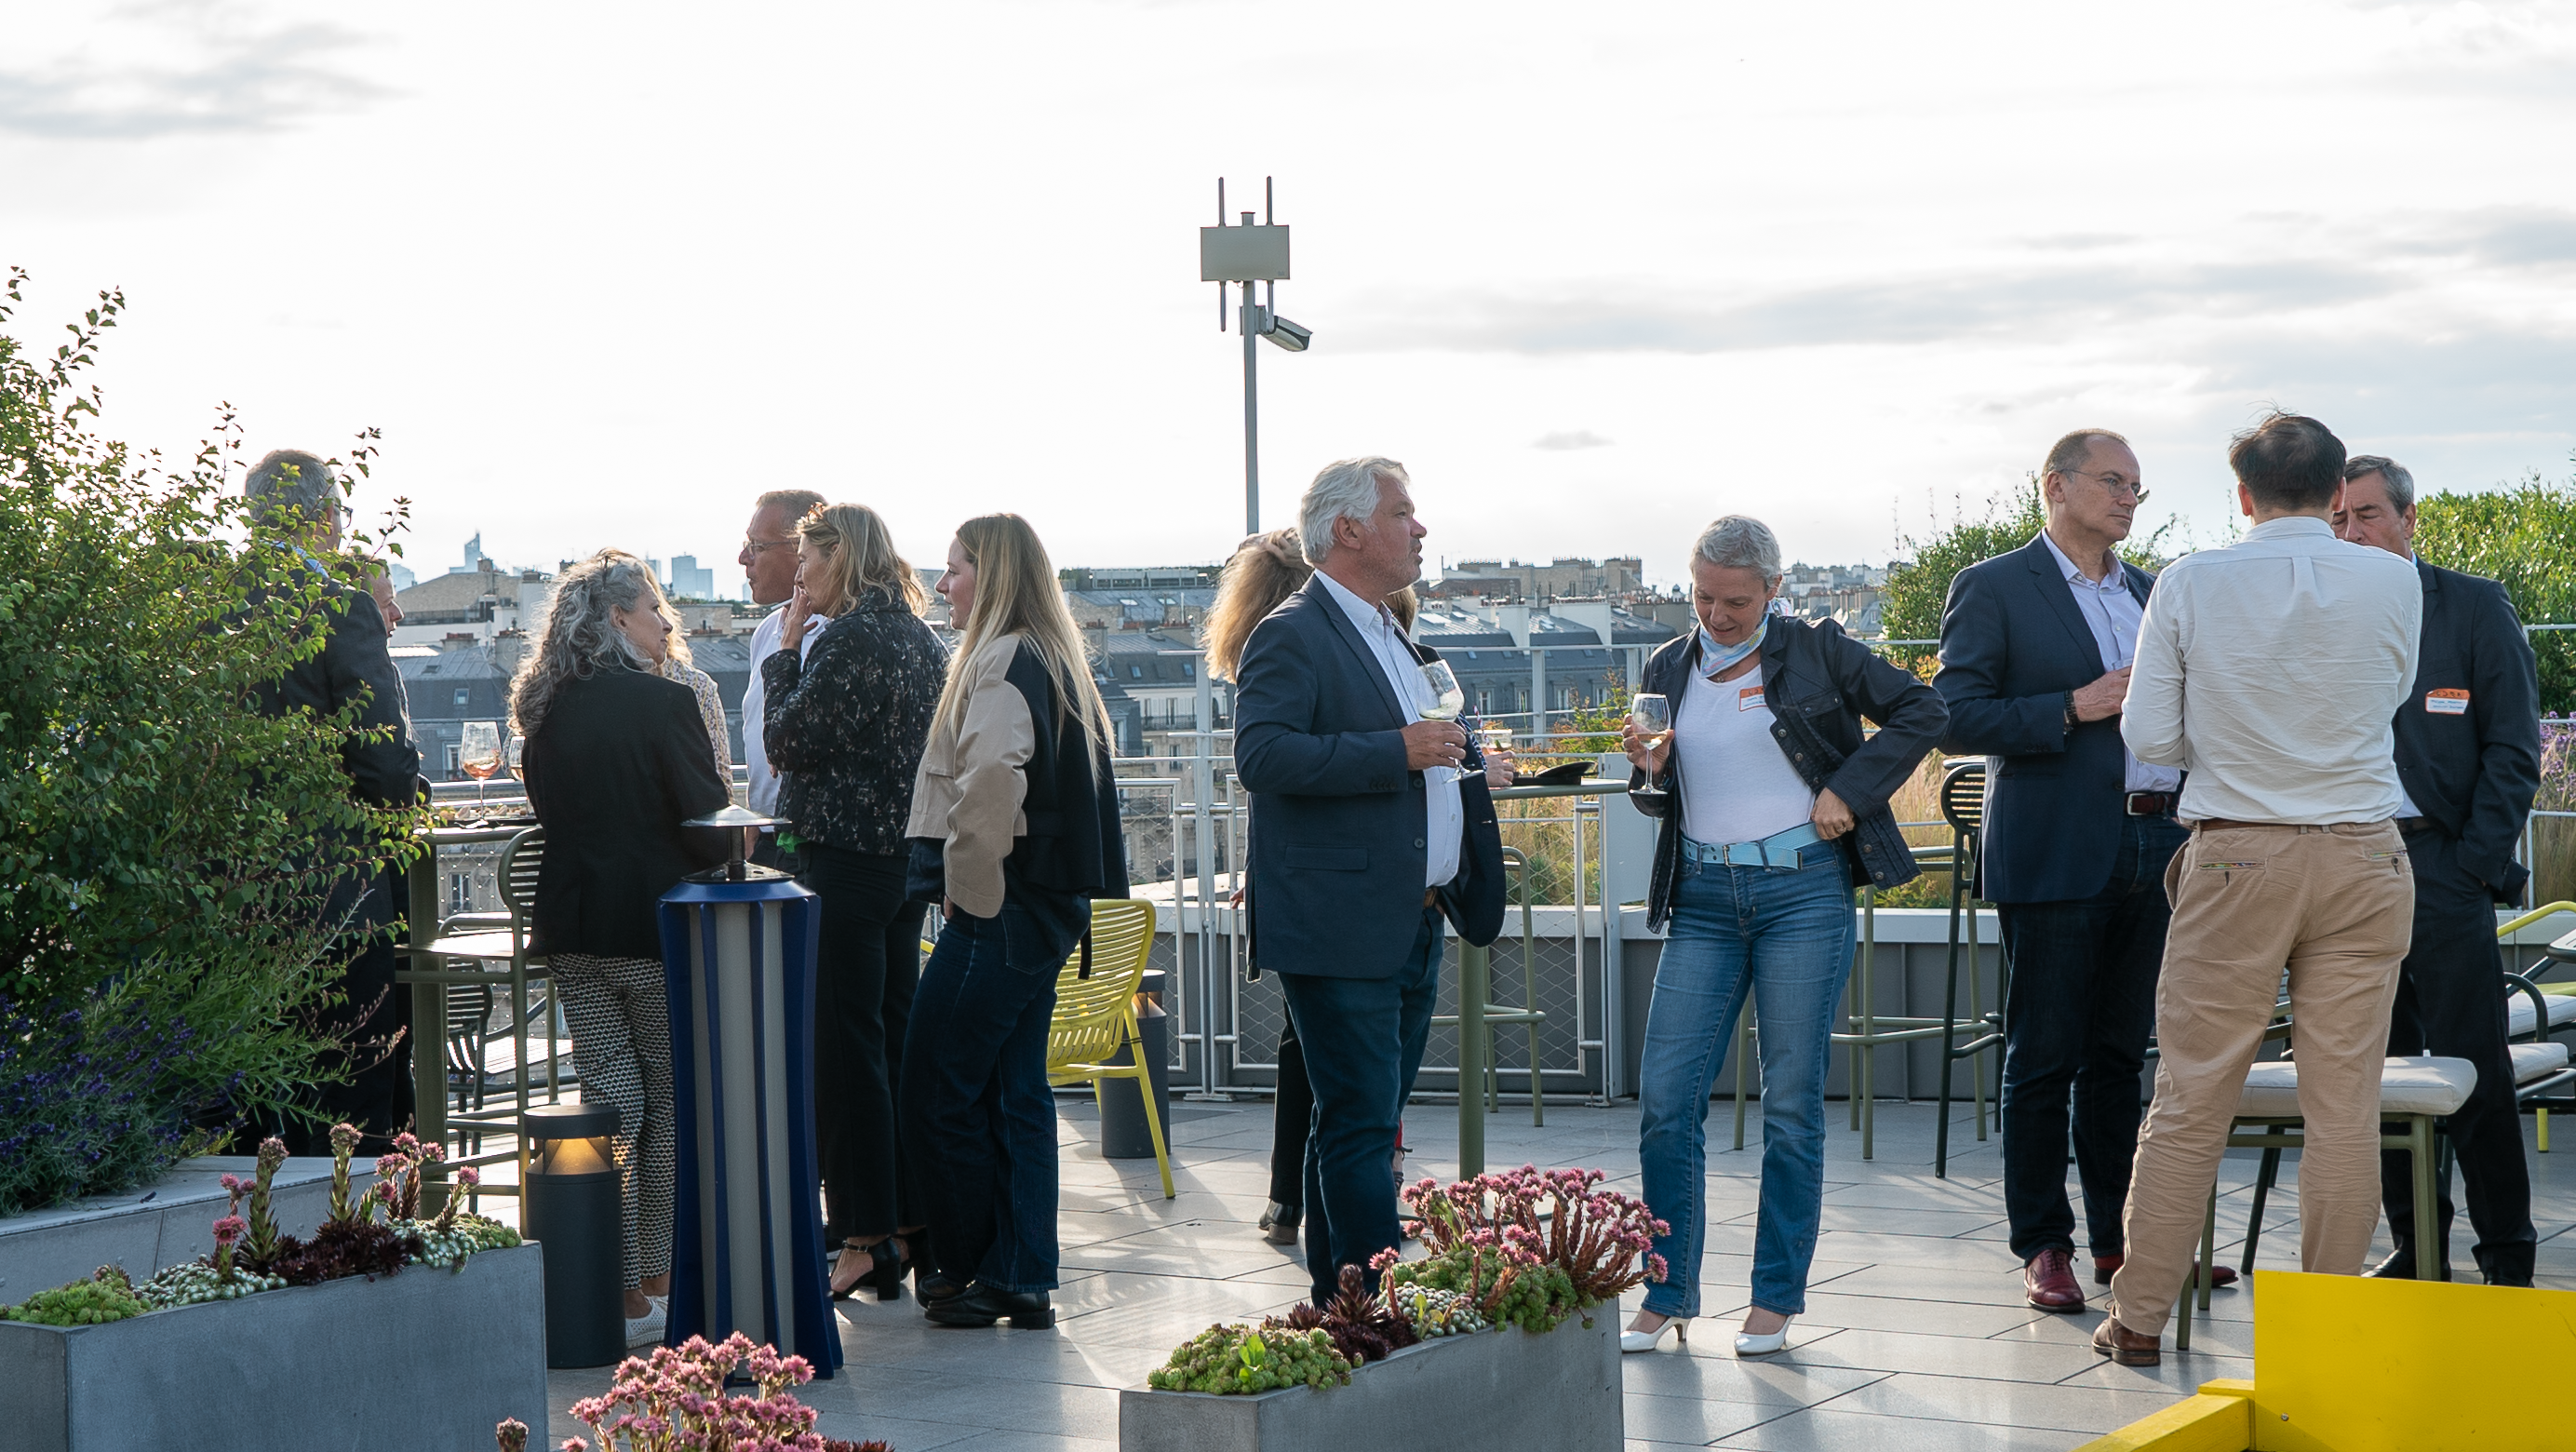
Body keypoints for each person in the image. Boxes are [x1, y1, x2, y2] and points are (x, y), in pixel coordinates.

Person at [2096, 412, 2422, 1367]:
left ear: (2241, 494)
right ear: (2336, 492)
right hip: (2364, 853)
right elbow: (2393, 693)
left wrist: (2226, 734)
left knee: (2192, 1094)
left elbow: (2148, 737)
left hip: (2238, 853)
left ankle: (2140, 1319)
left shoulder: (2191, 580)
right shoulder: (2392, 577)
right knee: (2343, 1105)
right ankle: (2322, 1332)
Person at [1617, 516, 1945, 1358]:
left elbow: (1923, 708)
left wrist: (1851, 790)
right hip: (1702, 898)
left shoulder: (1818, 650)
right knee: (1666, 1101)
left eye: (1736, 601)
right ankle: (1667, 1291)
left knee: (1791, 1105)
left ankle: (1775, 1298)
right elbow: (1657, 794)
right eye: (1702, 597)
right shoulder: (1668, 665)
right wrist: (1648, 771)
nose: (1716, 616)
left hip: (1803, 893)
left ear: (1773, 589)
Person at [1933, 428, 2224, 1311]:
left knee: (2120, 1057)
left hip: (2159, 844)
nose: (2129, 498)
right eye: (2113, 482)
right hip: (2057, 847)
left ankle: (2123, 1243)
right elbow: (1953, 716)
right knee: (2044, 1055)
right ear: (2055, 485)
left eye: (2137, 486)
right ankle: (2044, 1245)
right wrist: (2072, 705)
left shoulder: (2152, 590)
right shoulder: (1993, 586)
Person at [1232, 457, 1509, 1309]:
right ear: (1349, 530)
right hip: (1341, 921)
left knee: (1358, 1123)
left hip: (1412, 917)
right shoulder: (1292, 632)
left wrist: (1463, 764)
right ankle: (1377, 1311)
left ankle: (1341, 1304)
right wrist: (1400, 750)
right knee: (1359, 1125)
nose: (1419, 528)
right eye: (1402, 513)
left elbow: (1426, 751)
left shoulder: (1392, 632)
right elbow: (1263, 756)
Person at [900, 513, 1129, 1329]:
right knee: (1017, 1094)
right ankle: (1023, 1274)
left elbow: (992, 777)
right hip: (1048, 907)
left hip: (999, 906)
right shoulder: (1055, 658)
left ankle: (965, 1267)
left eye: (955, 568)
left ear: (991, 575)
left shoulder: (999, 658)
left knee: (934, 1084)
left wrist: (968, 887)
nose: (943, 585)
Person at [513, 549, 732, 1348]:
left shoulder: (545, 708)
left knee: (609, 1099)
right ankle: (654, 1277)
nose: (665, 625)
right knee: (666, 1102)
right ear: (617, 619)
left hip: (575, 933)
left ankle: (619, 1284)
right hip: (652, 931)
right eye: (654, 611)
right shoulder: (664, 702)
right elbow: (707, 823)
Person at [2333, 455, 2542, 1285]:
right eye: (2338, 518)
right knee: (2376, 1074)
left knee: (2474, 1071)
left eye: (2367, 515)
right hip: (2349, 866)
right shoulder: (2320, 613)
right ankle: (2417, 1248)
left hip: (2440, 866)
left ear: (2409, 519)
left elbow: (2515, 750)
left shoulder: (2472, 605)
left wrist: (2472, 869)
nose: (2351, 532)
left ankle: (2507, 1256)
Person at [761, 503, 946, 1299]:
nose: (800, 575)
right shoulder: (919, 638)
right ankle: (908, 1223)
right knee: (892, 1044)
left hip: (843, 863)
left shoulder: (849, 639)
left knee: (845, 1053)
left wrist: (785, 655)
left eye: (808, 558)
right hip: (902, 865)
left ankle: (864, 1234)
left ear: (841, 558)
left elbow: (786, 741)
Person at [241, 450, 421, 1155]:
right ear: (323, 518)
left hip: (225, 903)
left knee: (252, 1122)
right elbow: (383, 760)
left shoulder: (201, 607)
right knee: (351, 1110)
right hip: (333, 899)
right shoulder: (338, 606)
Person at [739, 489, 829, 868]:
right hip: (767, 837)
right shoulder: (766, 631)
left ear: (800, 549)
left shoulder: (837, 635)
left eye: (756, 546)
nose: (743, 558)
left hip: (811, 841)